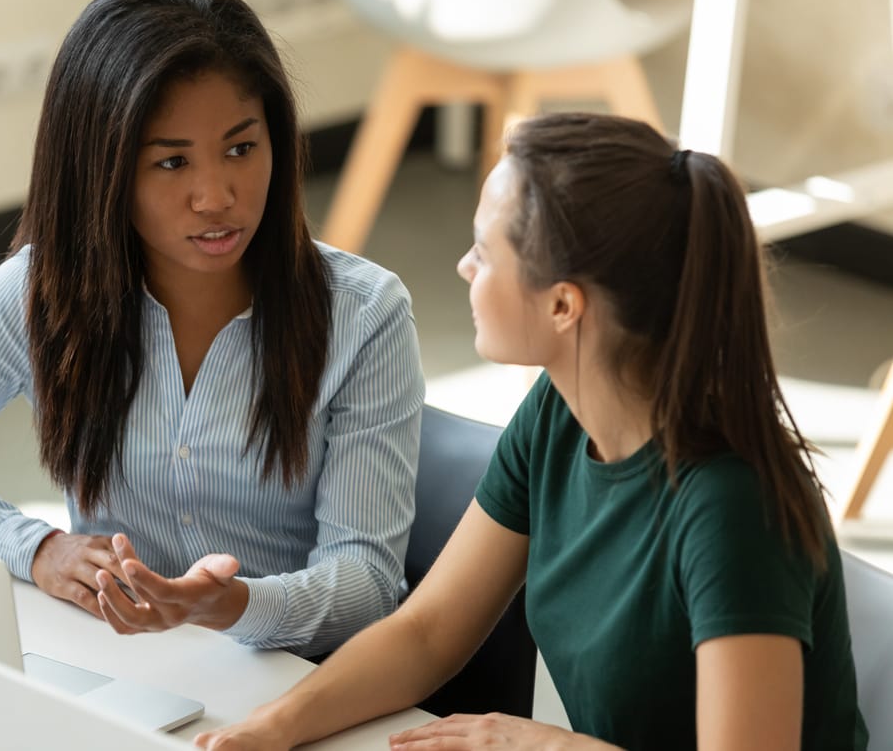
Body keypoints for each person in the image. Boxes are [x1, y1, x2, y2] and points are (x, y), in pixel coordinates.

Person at [195, 112, 868, 749]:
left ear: (563, 305)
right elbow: (429, 633)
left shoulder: (731, 508)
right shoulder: (559, 413)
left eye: (485, 253)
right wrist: (272, 727)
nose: (463, 266)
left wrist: (549, 745)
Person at [0, 0, 425, 658]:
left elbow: (368, 583)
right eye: (172, 162)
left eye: (241, 148)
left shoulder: (365, 315)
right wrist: (36, 548)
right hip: (124, 664)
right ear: (102, 171)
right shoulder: (42, 293)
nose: (216, 196)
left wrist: (230, 605)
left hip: (294, 678)